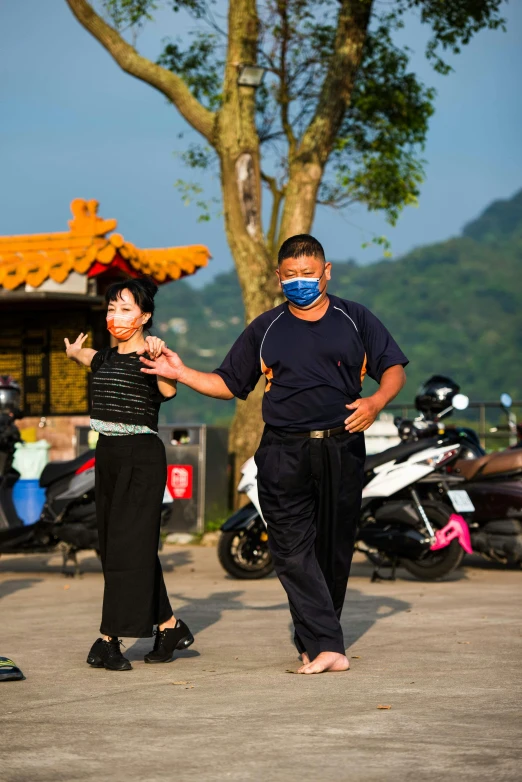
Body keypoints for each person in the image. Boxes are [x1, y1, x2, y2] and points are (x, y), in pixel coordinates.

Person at [140, 235, 408, 674]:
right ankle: (328, 645)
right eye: (291, 275)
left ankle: (316, 640)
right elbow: (228, 384)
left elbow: (392, 368)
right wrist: (180, 372)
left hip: (342, 444)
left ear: (327, 272)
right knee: (289, 548)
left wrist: (376, 402)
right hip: (283, 449)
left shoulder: (355, 318)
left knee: (334, 549)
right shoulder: (266, 328)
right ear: (277, 277)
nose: (300, 281)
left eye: (309, 273)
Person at [65, 277, 194, 671]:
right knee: (118, 546)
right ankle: (170, 626)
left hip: (141, 457)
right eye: (111, 309)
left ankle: (108, 640)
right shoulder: (104, 358)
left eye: (125, 309)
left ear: (144, 316)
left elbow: (169, 391)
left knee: (128, 547)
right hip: (107, 453)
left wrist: (163, 358)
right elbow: (88, 358)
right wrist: (74, 352)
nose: (115, 316)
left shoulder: (152, 358)